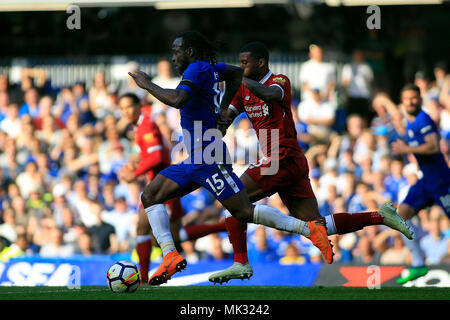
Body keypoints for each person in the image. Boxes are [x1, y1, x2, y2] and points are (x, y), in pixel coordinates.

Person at [128, 31, 333, 286]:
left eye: (176, 51)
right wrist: (224, 108)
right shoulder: (212, 68)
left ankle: (308, 229)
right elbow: (237, 73)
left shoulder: (195, 70)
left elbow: (179, 99)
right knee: (150, 195)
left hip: (209, 156)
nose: (173, 57)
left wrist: (146, 84)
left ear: (190, 52)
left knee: (243, 211)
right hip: (196, 158)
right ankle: (169, 254)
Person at [209, 41, 413, 284]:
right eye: (239, 63)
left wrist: (237, 76)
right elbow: (226, 119)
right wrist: (212, 119)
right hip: (288, 161)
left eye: (245, 63)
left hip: (281, 156)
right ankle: (380, 217)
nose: (241, 67)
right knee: (318, 225)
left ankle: (241, 262)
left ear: (261, 63)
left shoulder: (279, 81)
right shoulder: (242, 91)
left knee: (233, 198)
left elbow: (271, 95)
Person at [117, 92, 227, 284]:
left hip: (162, 188)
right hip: (163, 185)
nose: (126, 112)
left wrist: (134, 174)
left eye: (129, 107)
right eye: (122, 108)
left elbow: (158, 157)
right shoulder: (139, 127)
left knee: (142, 228)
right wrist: (136, 163)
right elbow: (154, 154)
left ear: (138, 106)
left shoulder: (146, 126)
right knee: (177, 234)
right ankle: (225, 226)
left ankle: (142, 280)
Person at [391, 84, 450, 284]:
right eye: (407, 98)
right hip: (426, 181)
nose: (411, 101)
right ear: (402, 101)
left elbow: (434, 146)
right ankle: (417, 264)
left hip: (442, 181)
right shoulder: (410, 121)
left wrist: (405, 148)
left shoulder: (423, 119)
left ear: (420, 99)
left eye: (414, 98)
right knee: (401, 215)